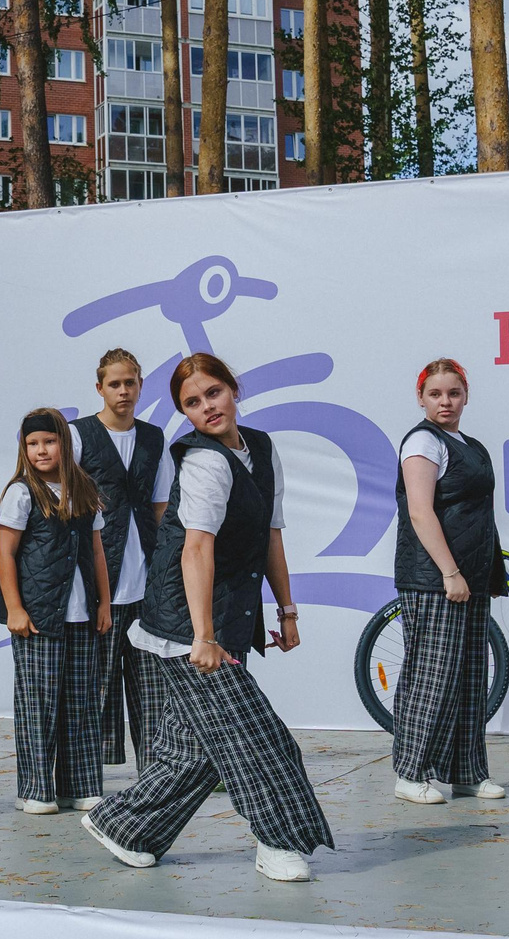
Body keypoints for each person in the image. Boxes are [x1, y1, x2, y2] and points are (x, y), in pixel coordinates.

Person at [83, 353, 335, 882]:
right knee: (255, 737)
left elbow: (271, 535)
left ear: (233, 390)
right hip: (186, 626)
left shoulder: (261, 449)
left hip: (230, 617)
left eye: (213, 393)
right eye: (191, 403)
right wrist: (203, 637)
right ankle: (278, 841)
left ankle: (126, 825)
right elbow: (195, 550)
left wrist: (287, 610)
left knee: (194, 751)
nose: (206, 408)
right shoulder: (202, 461)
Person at [388, 358, 509, 805]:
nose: (445, 402)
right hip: (435, 578)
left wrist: (489, 573)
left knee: (470, 678)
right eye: (436, 394)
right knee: (431, 675)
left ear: (466, 395)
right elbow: (420, 512)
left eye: (453, 393)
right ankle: (410, 771)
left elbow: (480, 516)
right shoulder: (423, 441)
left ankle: (467, 772)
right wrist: (449, 573)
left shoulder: (471, 445)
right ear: (421, 398)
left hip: (470, 578)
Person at [0, 410, 115, 813]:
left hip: (83, 618)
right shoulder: (21, 493)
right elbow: (6, 553)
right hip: (38, 618)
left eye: (49, 441)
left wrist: (104, 603)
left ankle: (79, 785)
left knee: (81, 702)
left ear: (65, 444)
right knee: (39, 703)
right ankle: (35, 789)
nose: (41, 450)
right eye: (33, 444)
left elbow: (97, 551)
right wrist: (15, 607)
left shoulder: (83, 490)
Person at [72, 349, 171, 769]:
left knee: (152, 693)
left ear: (141, 386)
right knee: (96, 687)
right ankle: (87, 779)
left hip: (147, 587)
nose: (123, 390)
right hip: (100, 587)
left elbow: (162, 508)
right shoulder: (77, 436)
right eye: (114, 383)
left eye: (130, 382)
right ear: (100, 388)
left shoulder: (153, 437)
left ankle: (154, 778)